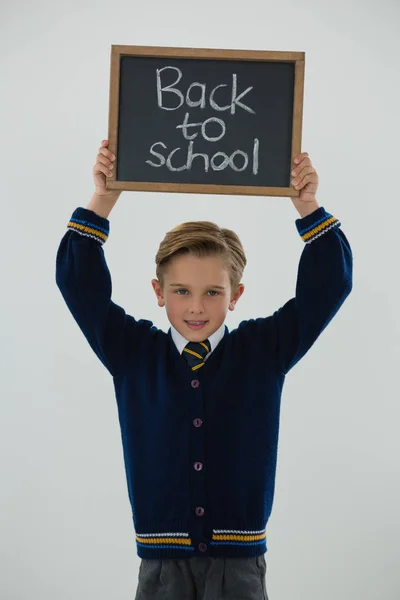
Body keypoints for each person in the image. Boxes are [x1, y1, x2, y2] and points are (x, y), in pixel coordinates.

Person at [55, 140, 353, 600]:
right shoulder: (133, 351)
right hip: (160, 567)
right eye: (181, 291)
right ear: (158, 291)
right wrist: (103, 198)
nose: (196, 308)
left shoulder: (263, 350)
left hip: (240, 567)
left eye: (213, 292)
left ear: (236, 294)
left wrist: (307, 206)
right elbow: (78, 284)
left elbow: (330, 284)